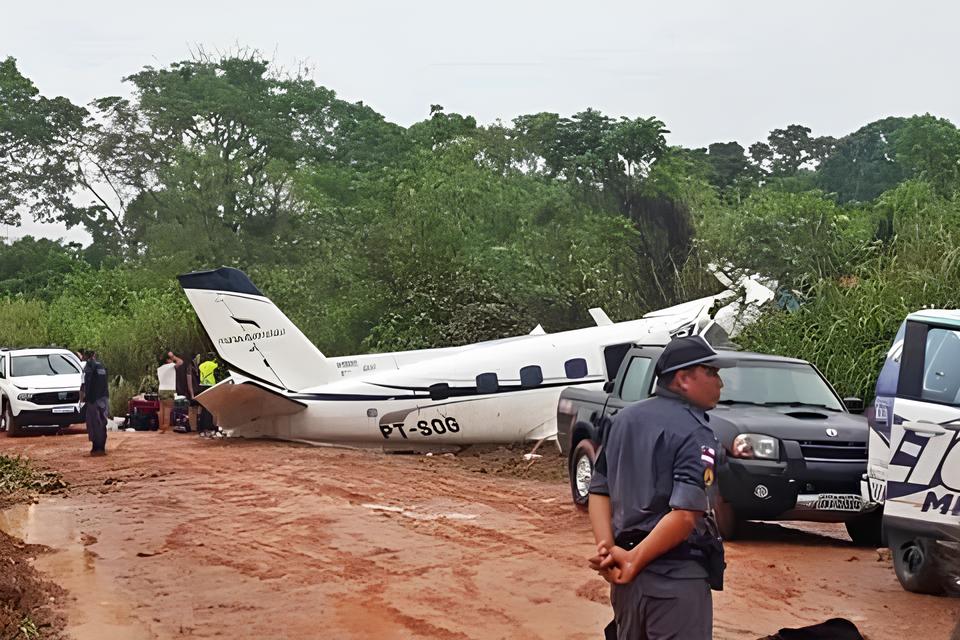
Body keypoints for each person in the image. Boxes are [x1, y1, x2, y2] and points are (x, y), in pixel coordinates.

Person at [587, 335, 732, 640]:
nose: (720, 383)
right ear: (683, 378)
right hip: (674, 577)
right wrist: (633, 559)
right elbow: (686, 515)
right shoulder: (697, 432)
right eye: (712, 372)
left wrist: (608, 551)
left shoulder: (623, 420)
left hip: (627, 582)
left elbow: (599, 491)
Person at [79, 349, 110, 456]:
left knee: (93, 423)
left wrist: (82, 398)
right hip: (104, 398)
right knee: (102, 422)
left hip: (93, 400)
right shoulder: (102, 366)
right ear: (94, 355)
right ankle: (102, 447)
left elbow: (84, 384)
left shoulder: (88, 367)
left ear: (84, 356)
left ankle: (96, 448)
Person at [165, 351, 199, 431]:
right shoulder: (185, 366)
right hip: (184, 390)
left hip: (179, 390)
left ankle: (185, 424)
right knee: (187, 408)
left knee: (183, 408)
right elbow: (189, 380)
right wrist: (192, 393)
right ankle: (188, 425)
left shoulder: (175, 367)